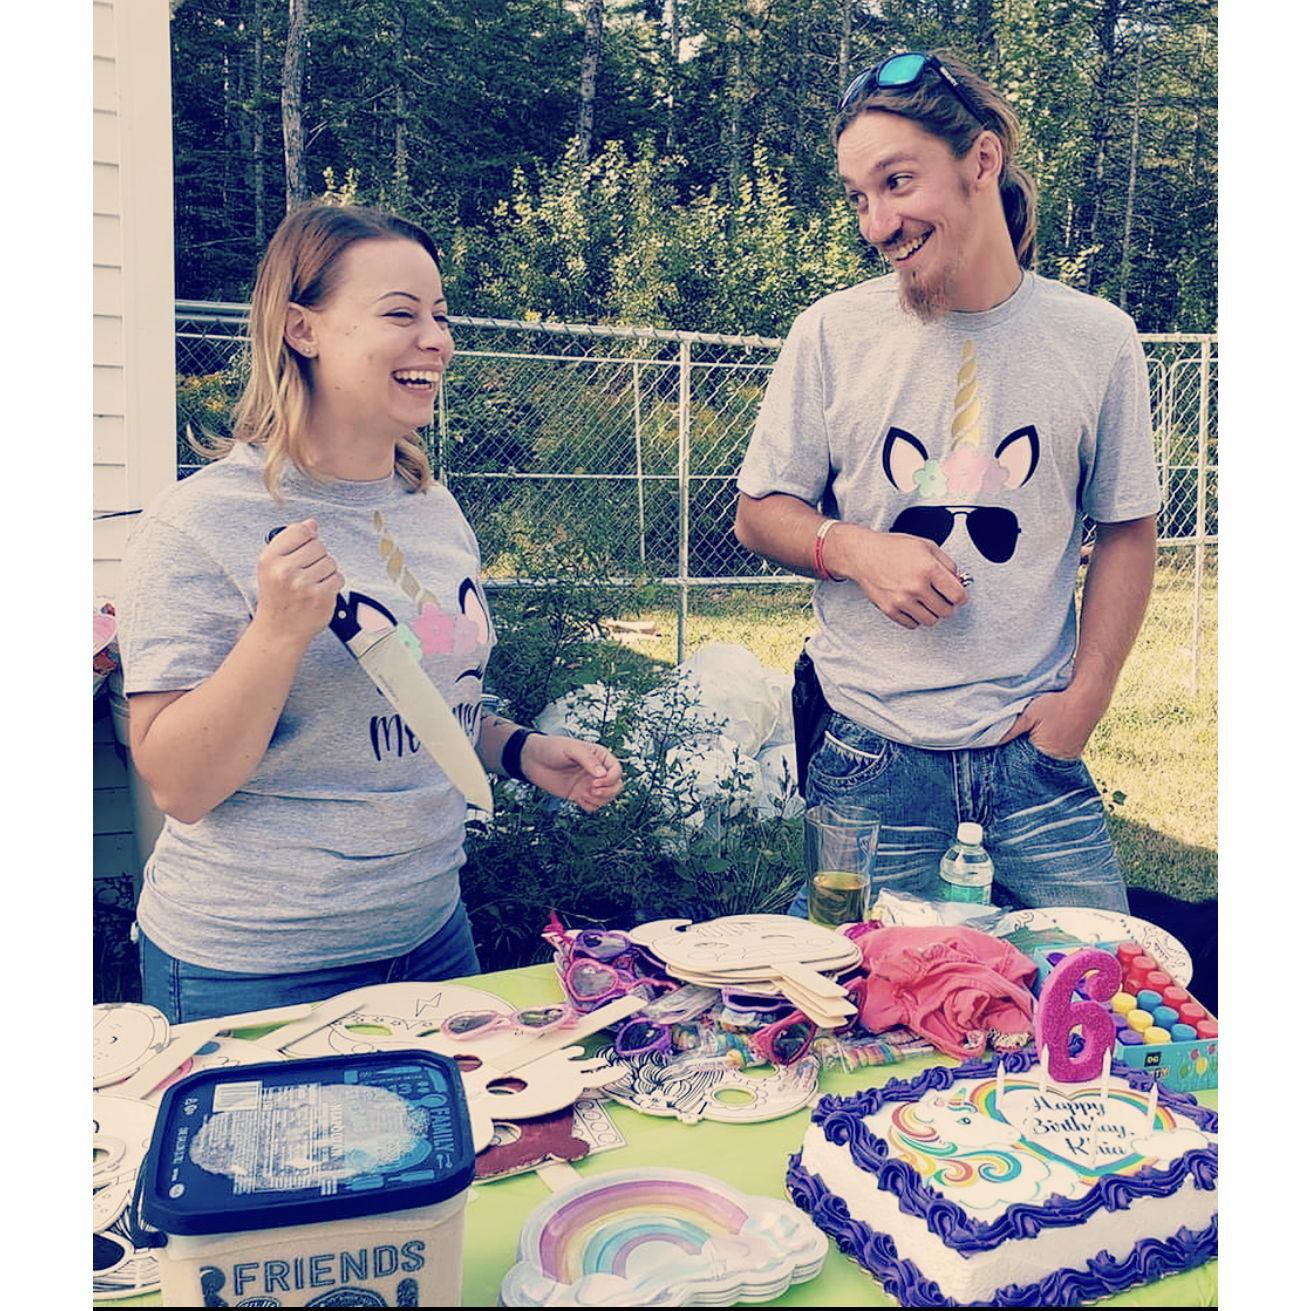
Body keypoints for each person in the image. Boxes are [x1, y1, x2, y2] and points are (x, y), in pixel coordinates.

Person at [120, 204, 623, 1022]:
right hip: (254, 965)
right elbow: (179, 783)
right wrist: (278, 633)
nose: (436, 339)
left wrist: (521, 749)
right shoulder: (197, 525)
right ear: (302, 330)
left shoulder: (433, 509)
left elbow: (415, 702)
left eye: (440, 316)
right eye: (399, 313)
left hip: (430, 934)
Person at [734, 51, 1159, 913]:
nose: (876, 223)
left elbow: (1126, 529)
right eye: (858, 196)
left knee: (1112, 1007)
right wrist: (851, 549)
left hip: (1034, 753)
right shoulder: (830, 333)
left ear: (982, 160)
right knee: (859, 1014)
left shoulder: (1098, 338)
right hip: (869, 753)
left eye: (896, 182)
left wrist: (1086, 697)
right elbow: (758, 512)